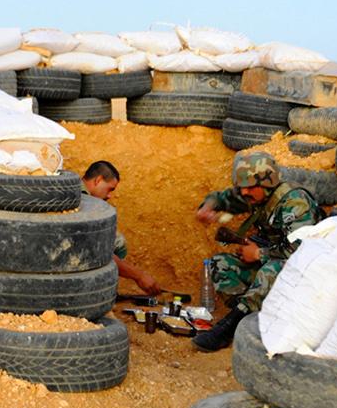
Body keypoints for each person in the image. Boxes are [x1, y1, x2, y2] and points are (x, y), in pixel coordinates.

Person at [190, 147, 323, 352]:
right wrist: (208, 207)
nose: (244, 192)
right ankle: (248, 313)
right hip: (272, 262)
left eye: (250, 187)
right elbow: (223, 198)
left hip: (305, 273)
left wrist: (258, 254)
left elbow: (301, 251)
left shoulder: (294, 202)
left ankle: (230, 327)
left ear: (266, 183)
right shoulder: (255, 194)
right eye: (242, 187)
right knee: (220, 264)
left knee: (271, 270)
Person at [82, 159, 163, 297]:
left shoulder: (77, 192)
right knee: (116, 242)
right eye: (110, 189)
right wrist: (139, 276)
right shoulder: (83, 202)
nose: (109, 195)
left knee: (117, 240)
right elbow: (100, 252)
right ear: (98, 180)